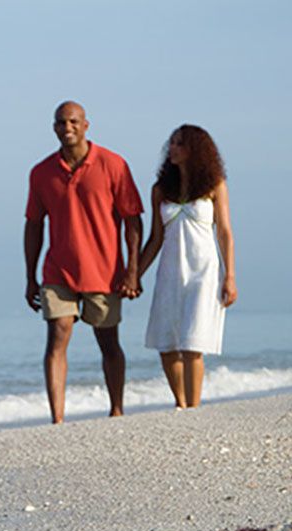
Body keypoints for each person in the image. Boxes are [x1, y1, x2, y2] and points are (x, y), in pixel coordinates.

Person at [24, 101, 145, 424]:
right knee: (58, 333)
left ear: (86, 125)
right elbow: (33, 225)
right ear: (54, 128)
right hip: (57, 270)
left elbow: (133, 220)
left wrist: (133, 272)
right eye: (62, 123)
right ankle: (57, 419)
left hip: (104, 271)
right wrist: (30, 276)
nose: (68, 128)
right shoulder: (41, 172)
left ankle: (117, 409)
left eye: (74, 122)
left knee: (108, 342)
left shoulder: (113, 164)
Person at [138, 124, 237, 408]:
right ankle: (180, 404)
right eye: (171, 143)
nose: (172, 149)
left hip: (204, 271)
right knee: (166, 345)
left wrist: (230, 276)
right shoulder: (160, 190)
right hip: (170, 271)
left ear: (195, 150)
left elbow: (225, 233)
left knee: (192, 344)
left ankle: (194, 409)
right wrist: (135, 275)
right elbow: (155, 238)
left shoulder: (214, 186)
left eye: (179, 144)